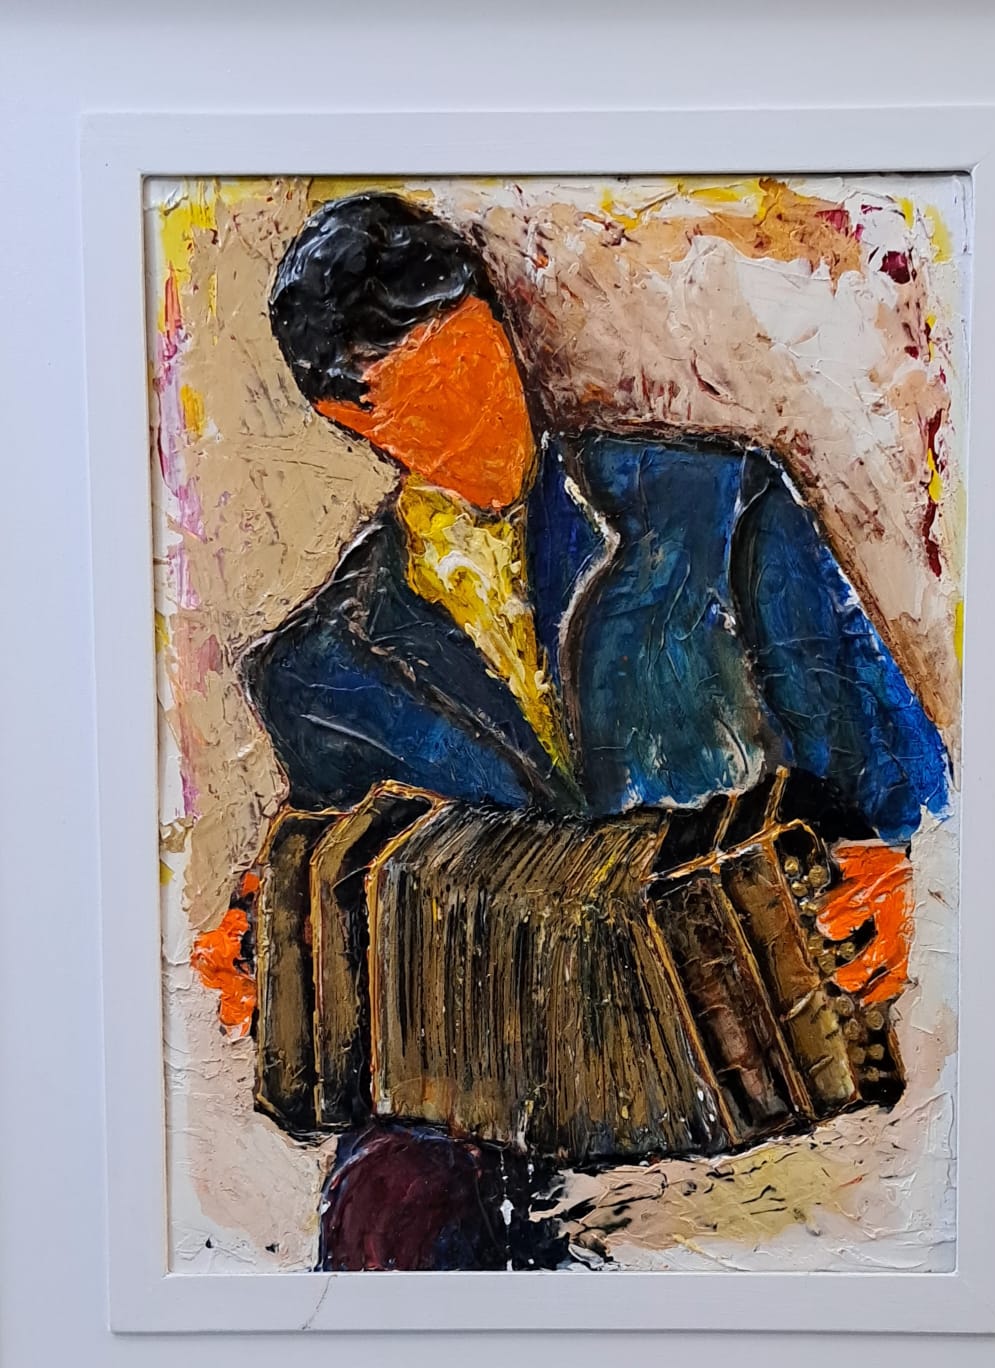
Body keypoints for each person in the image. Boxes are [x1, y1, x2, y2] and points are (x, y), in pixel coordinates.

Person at [196, 191, 950, 1271]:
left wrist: (901, 867)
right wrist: (277, 951)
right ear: (354, 419)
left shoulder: (718, 508)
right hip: (498, 1121)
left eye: (483, 357)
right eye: (436, 389)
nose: (490, 408)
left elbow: (902, 780)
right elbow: (347, 909)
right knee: (386, 1200)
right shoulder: (316, 671)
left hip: (761, 1032)